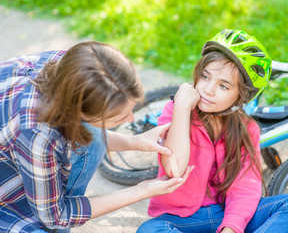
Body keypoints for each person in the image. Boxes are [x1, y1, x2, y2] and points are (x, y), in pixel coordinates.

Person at [0, 41, 193, 233]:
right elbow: (54, 215)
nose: (131, 119)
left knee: (94, 140)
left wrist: (135, 141)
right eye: (119, 117)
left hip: (17, 152)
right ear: (78, 112)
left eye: (131, 109)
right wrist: (142, 190)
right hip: (5, 201)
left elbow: (84, 130)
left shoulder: (72, 66)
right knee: (49, 222)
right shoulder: (37, 135)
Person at [137, 29, 288, 233]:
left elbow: (245, 186)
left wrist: (231, 227)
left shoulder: (247, 129)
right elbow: (174, 169)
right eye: (204, 76)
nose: (208, 89)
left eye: (224, 86)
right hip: (183, 219)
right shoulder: (175, 111)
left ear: (240, 97)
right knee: (149, 230)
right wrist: (182, 109)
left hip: (227, 213)